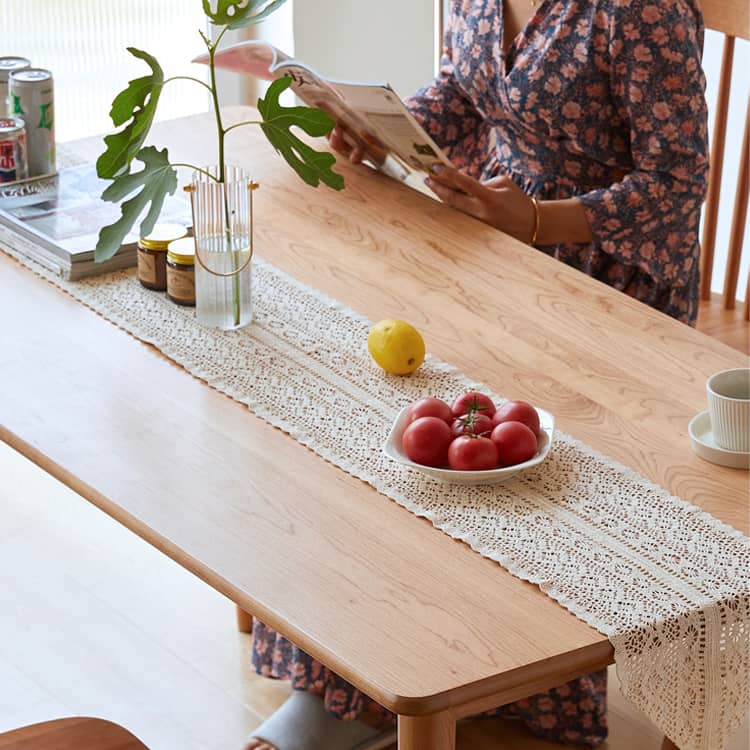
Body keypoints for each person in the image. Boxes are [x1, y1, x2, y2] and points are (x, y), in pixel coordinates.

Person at [245, 0, 709, 747]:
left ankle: (462, 675)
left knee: (467, 443)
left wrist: (535, 222)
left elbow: (677, 182)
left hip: (606, 278)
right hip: (496, 239)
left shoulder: (641, 12)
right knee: (364, 402)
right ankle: (355, 677)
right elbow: (466, 93)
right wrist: (381, 131)